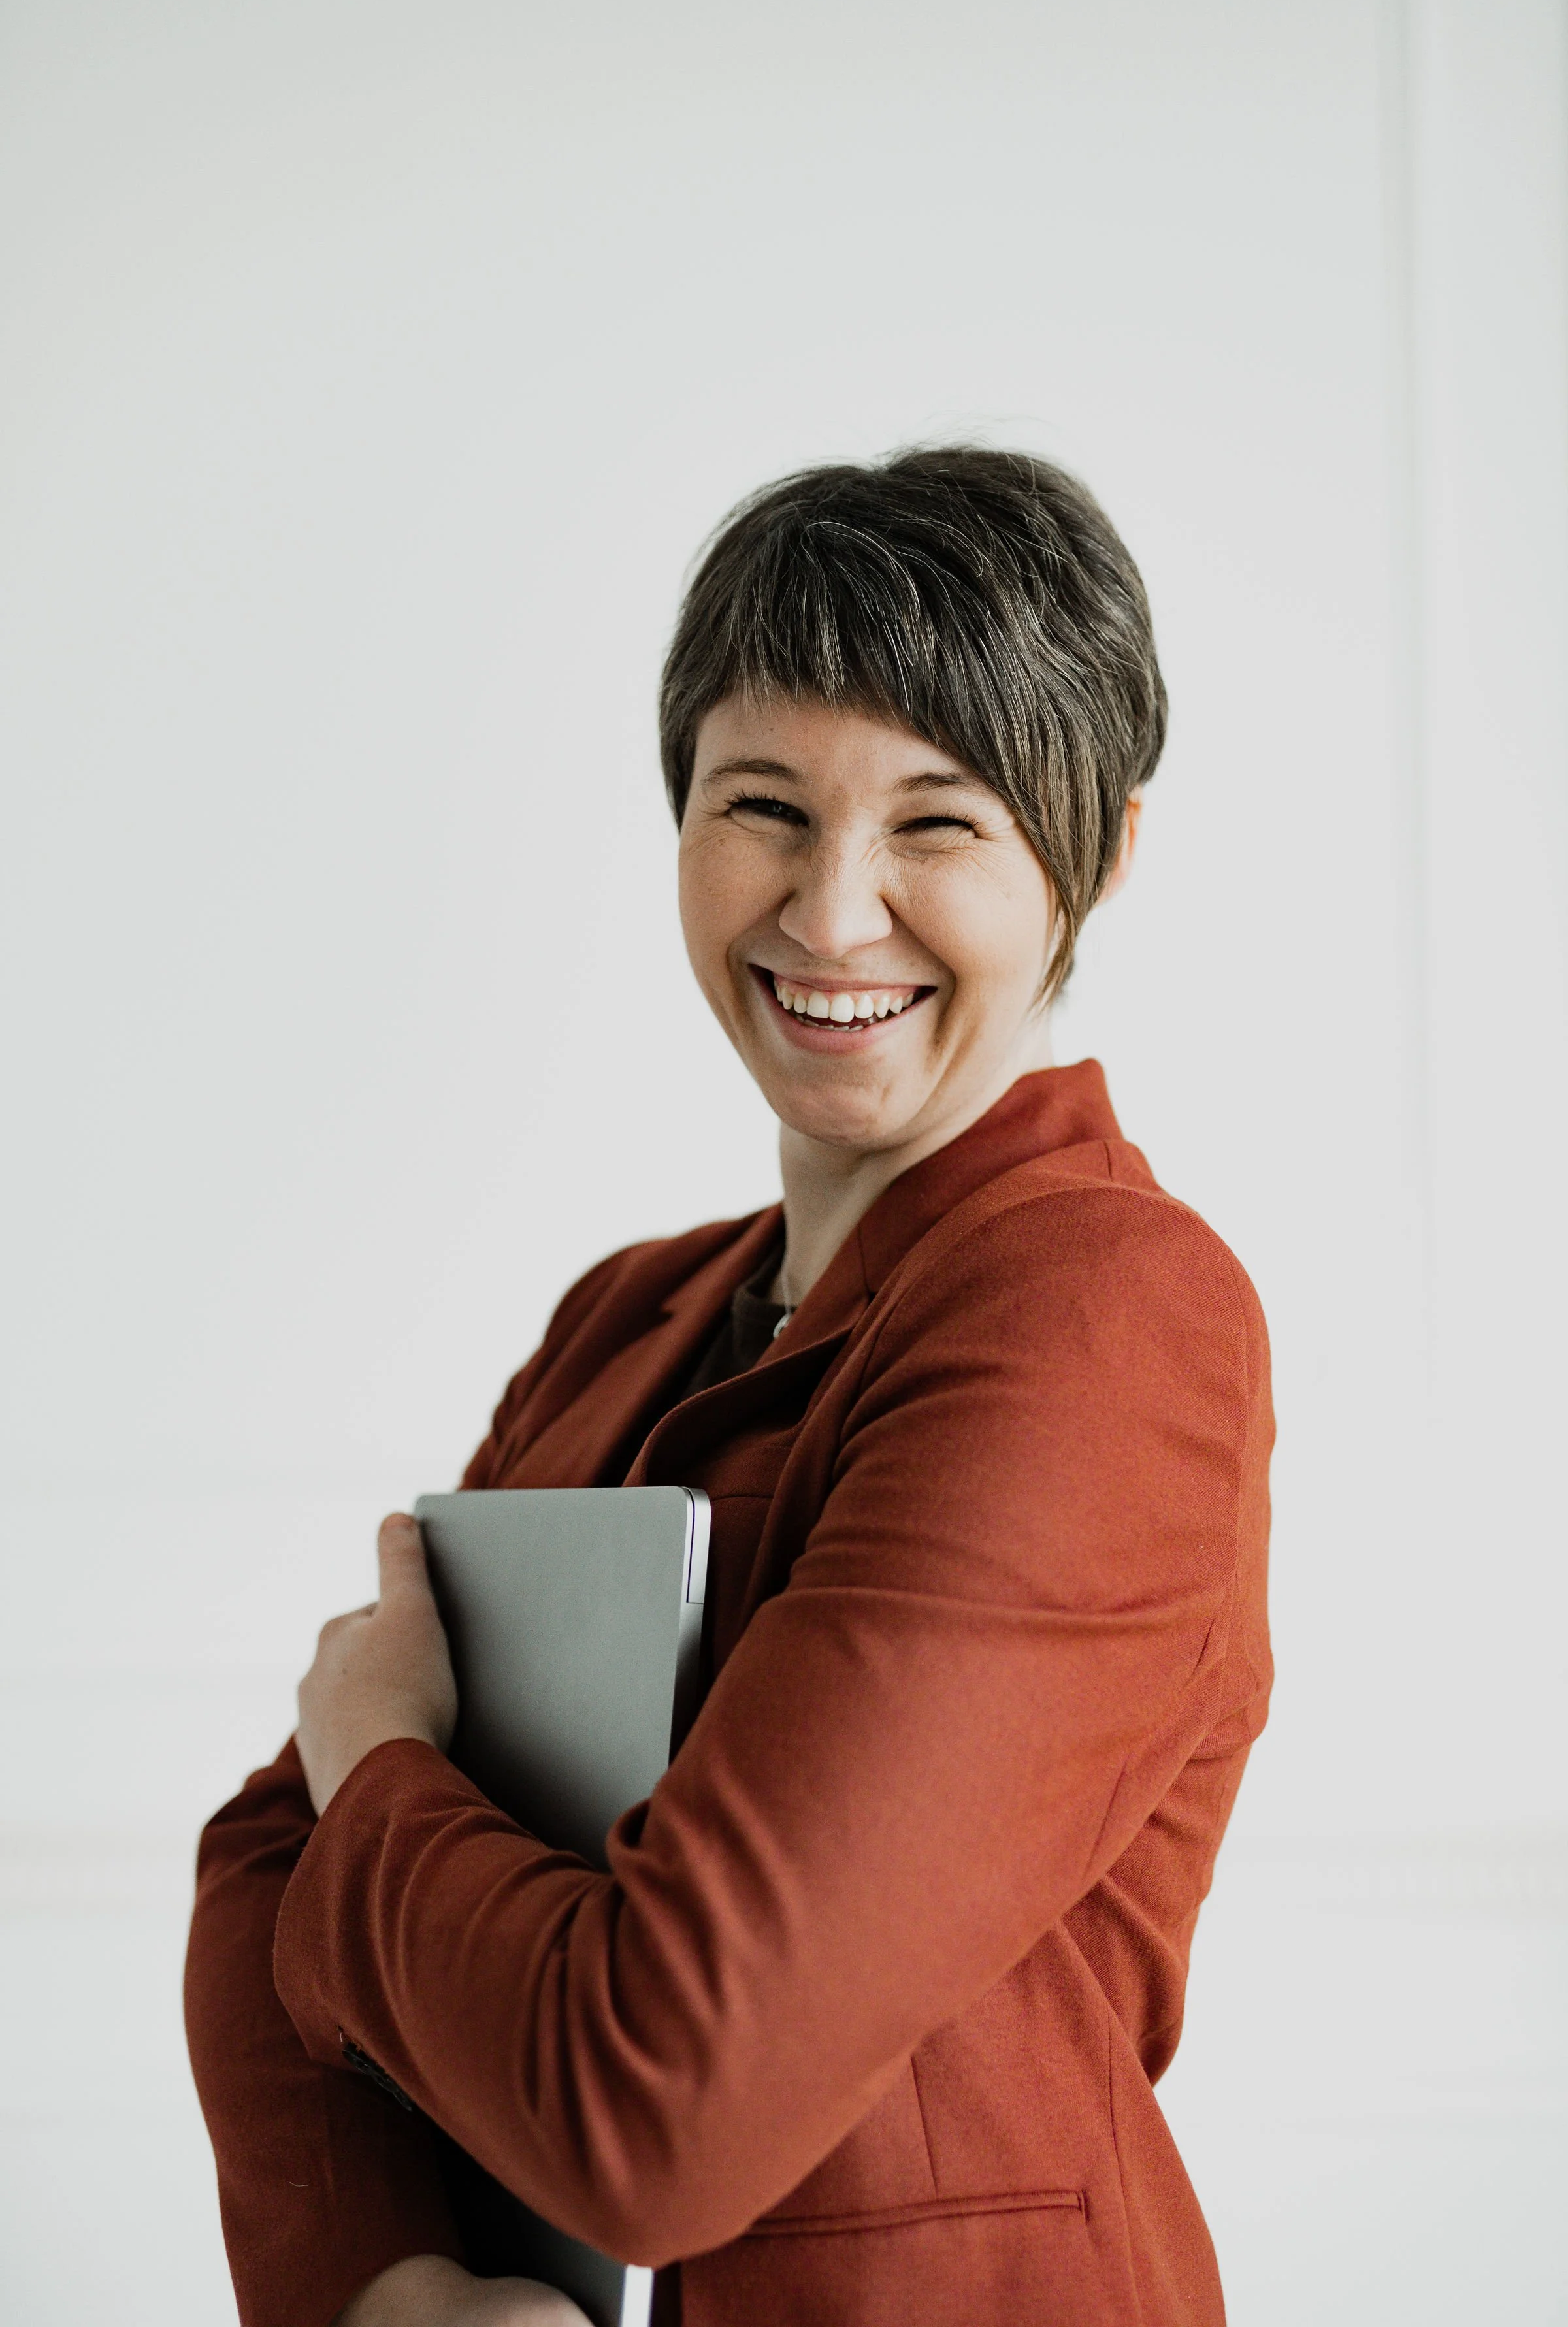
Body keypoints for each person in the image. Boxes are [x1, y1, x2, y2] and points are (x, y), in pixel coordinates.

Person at [185, 448, 1273, 2327]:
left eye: (940, 823)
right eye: (764, 806)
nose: (833, 916)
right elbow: (262, 1870)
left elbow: (658, 2103)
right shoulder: (633, 1316)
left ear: (1094, 857)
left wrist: (382, 1760)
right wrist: (390, 2288)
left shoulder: (1103, 1314)